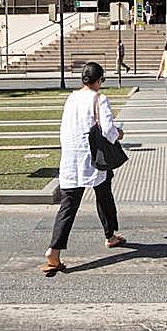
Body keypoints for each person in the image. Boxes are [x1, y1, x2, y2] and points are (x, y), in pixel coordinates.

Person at [43, 61, 125, 274]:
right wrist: (119, 134)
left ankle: (54, 249)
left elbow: (64, 128)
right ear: (99, 80)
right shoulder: (100, 98)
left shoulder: (71, 98)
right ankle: (110, 235)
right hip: (93, 157)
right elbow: (108, 131)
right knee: (104, 193)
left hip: (71, 158)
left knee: (68, 206)